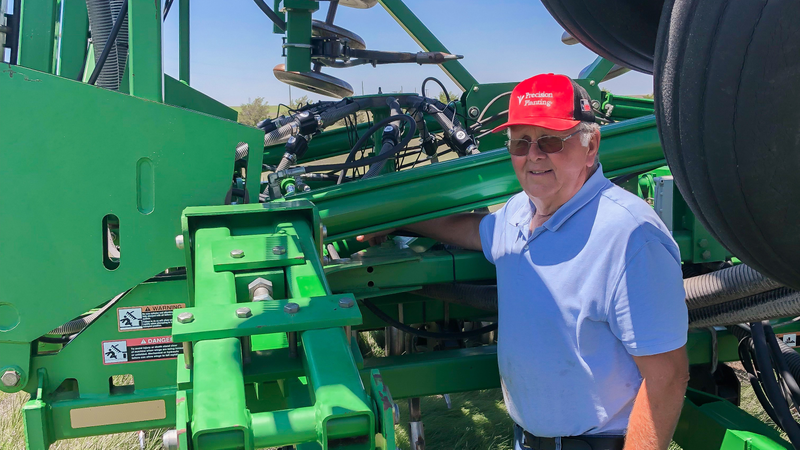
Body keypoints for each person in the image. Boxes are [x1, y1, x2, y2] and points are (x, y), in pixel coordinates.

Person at [358, 74, 689, 450]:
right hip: (528, 439)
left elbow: (668, 376)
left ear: (591, 144)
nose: (534, 155)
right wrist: (395, 220)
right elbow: (470, 230)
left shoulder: (630, 236)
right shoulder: (520, 210)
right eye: (520, 143)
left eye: (550, 139)